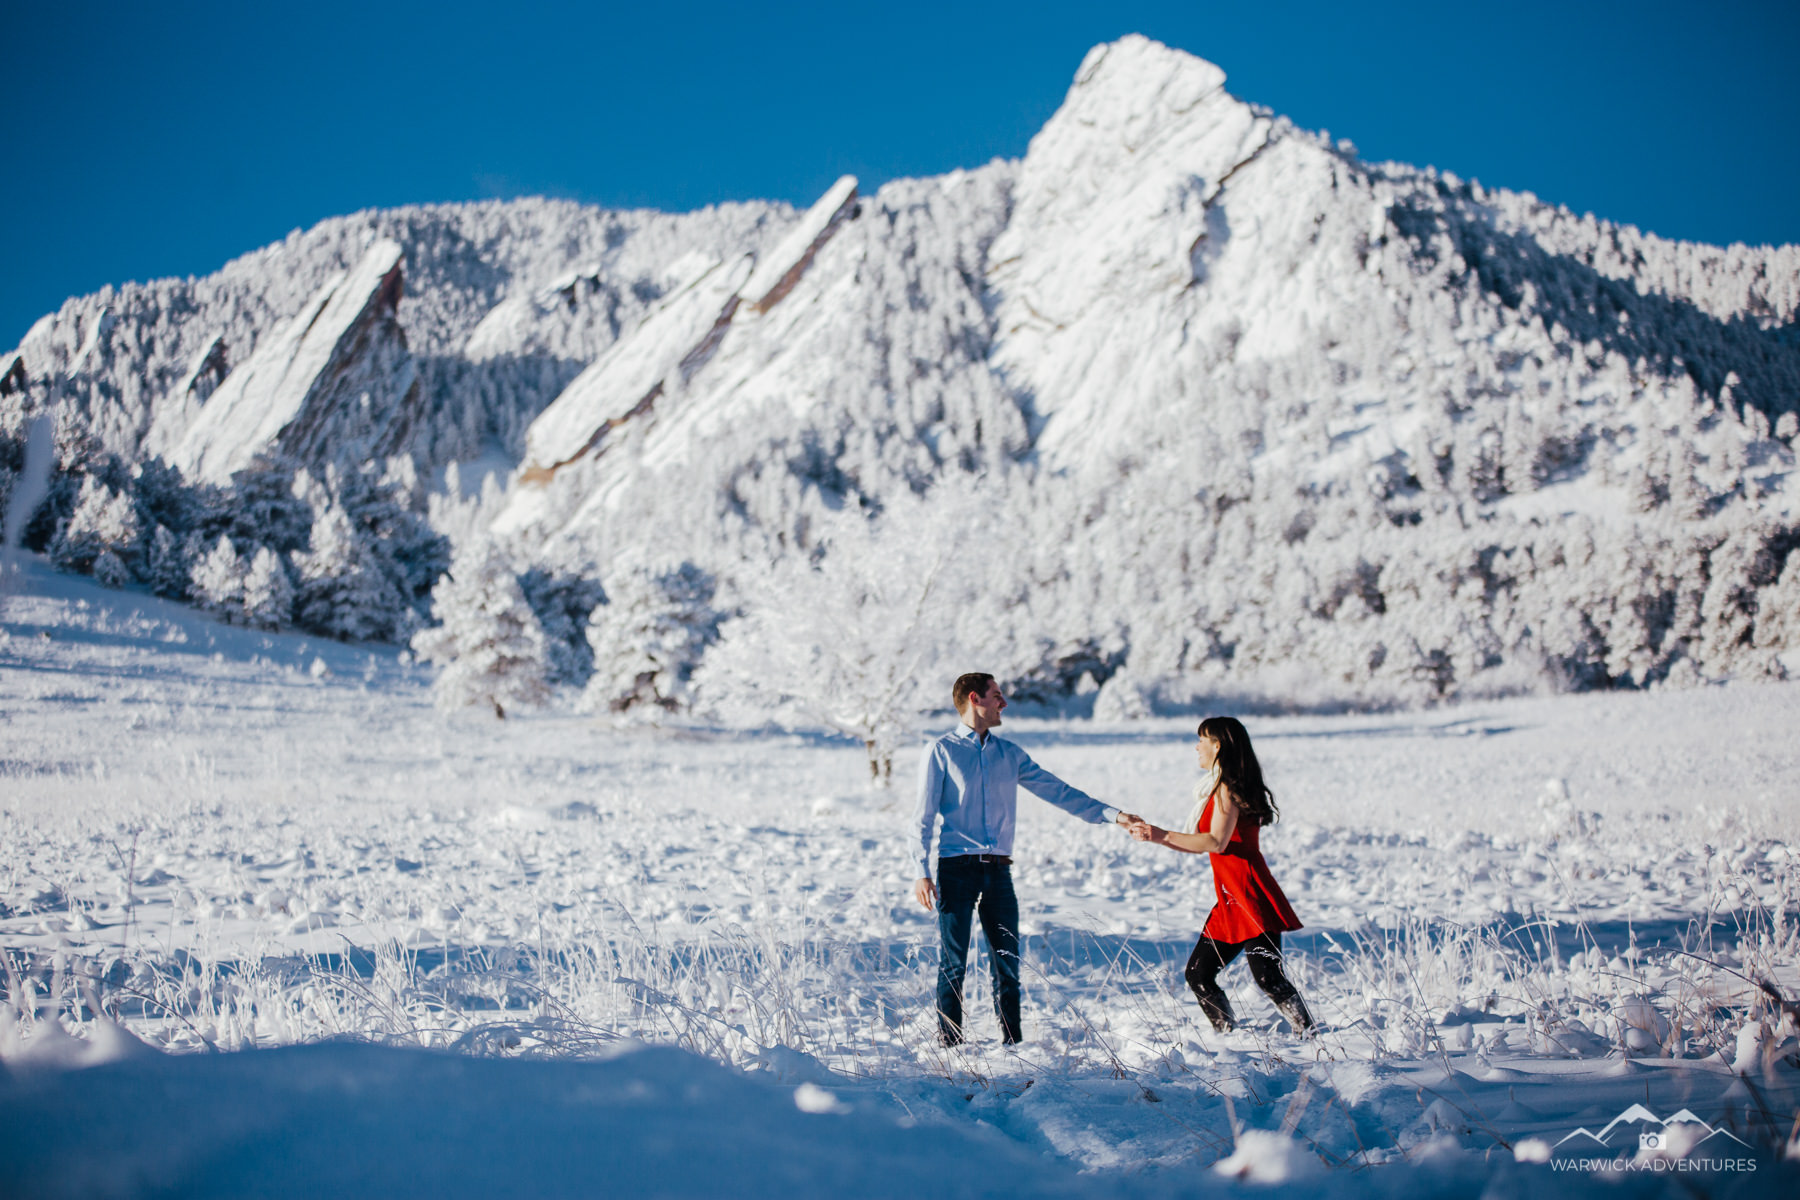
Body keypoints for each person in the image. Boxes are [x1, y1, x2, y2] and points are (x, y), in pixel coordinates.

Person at [912, 672, 1141, 1046]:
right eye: (997, 696)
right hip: (956, 870)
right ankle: (951, 1046)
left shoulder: (1010, 754)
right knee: (953, 963)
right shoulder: (942, 751)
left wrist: (1114, 815)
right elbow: (921, 817)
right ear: (975, 699)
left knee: (1008, 963)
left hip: (1000, 873)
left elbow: (1059, 791)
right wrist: (920, 872)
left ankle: (1012, 1044)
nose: (1004, 703)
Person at [1127, 716, 1314, 1035]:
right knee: (1198, 974)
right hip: (1231, 897)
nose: (1196, 746)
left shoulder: (1227, 787)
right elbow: (1207, 845)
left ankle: (1309, 1035)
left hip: (1250, 894)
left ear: (1219, 745)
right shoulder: (1220, 786)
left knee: (1268, 977)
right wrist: (1158, 836)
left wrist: (1162, 835)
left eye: (1202, 739)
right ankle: (1226, 1036)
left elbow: (1215, 841)